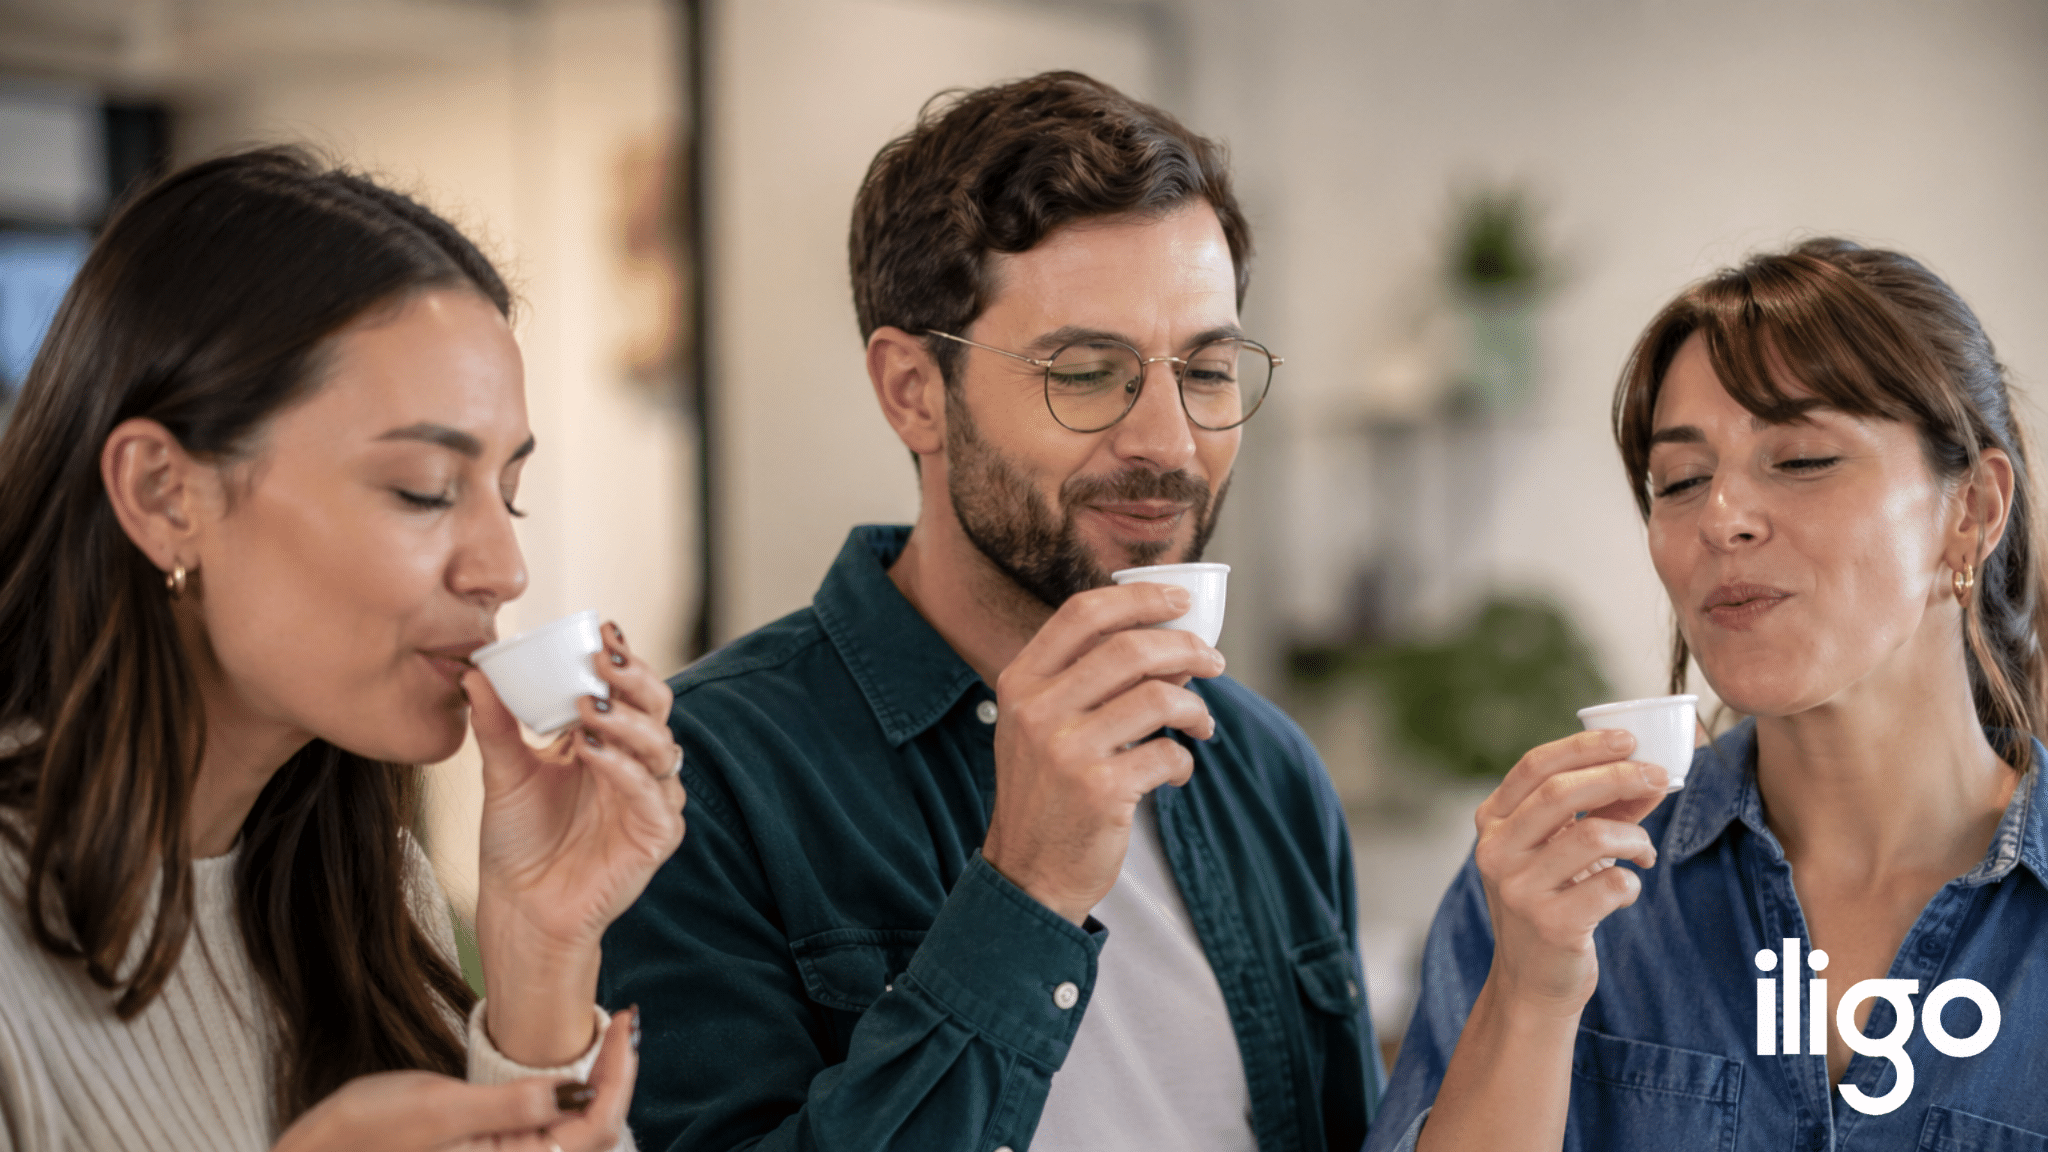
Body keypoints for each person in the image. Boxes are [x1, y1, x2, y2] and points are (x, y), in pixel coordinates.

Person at [599, 72, 1379, 1152]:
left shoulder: (1267, 771)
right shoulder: (700, 787)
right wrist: (1028, 886)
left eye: (1204, 369)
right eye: (1087, 372)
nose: (1166, 440)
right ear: (912, 390)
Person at [0, 149, 688, 1152]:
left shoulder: (362, 892)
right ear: (163, 495)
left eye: (510, 491)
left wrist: (542, 959)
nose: (503, 568)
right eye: (421, 489)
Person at [1369, 238, 2048, 1151]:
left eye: (1801, 459)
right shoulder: (1560, 885)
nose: (1720, 517)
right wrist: (1529, 997)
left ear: (1970, 511)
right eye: (1680, 481)